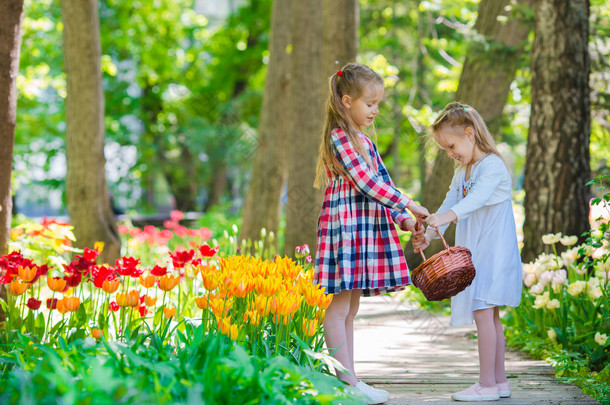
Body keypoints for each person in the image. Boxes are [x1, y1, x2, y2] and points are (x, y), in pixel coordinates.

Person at [313, 63, 429, 404]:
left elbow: (383, 186)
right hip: (345, 230)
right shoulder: (339, 138)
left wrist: (405, 219)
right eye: (369, 103)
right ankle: (347, 383)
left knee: (350, 309)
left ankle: (350, 380)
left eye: (378, 104)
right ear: (347, 101)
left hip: (363, 229)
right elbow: (366, 183)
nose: (375, 110)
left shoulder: (364, 141)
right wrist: (409, 203)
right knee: (337, 308)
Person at [413, 101, 522, 402]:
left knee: (483, 312)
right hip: (475, 252)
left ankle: (486, 384)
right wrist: (431, 233)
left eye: (451, 145)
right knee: (489, 315)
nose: (450, 154)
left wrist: (444, 218)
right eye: (445, 150)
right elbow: (450, 204)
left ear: (470, 133)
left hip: (493, 251)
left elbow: (476, 200)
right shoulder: (463, 171)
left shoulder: (493, 167)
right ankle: (499, 382)